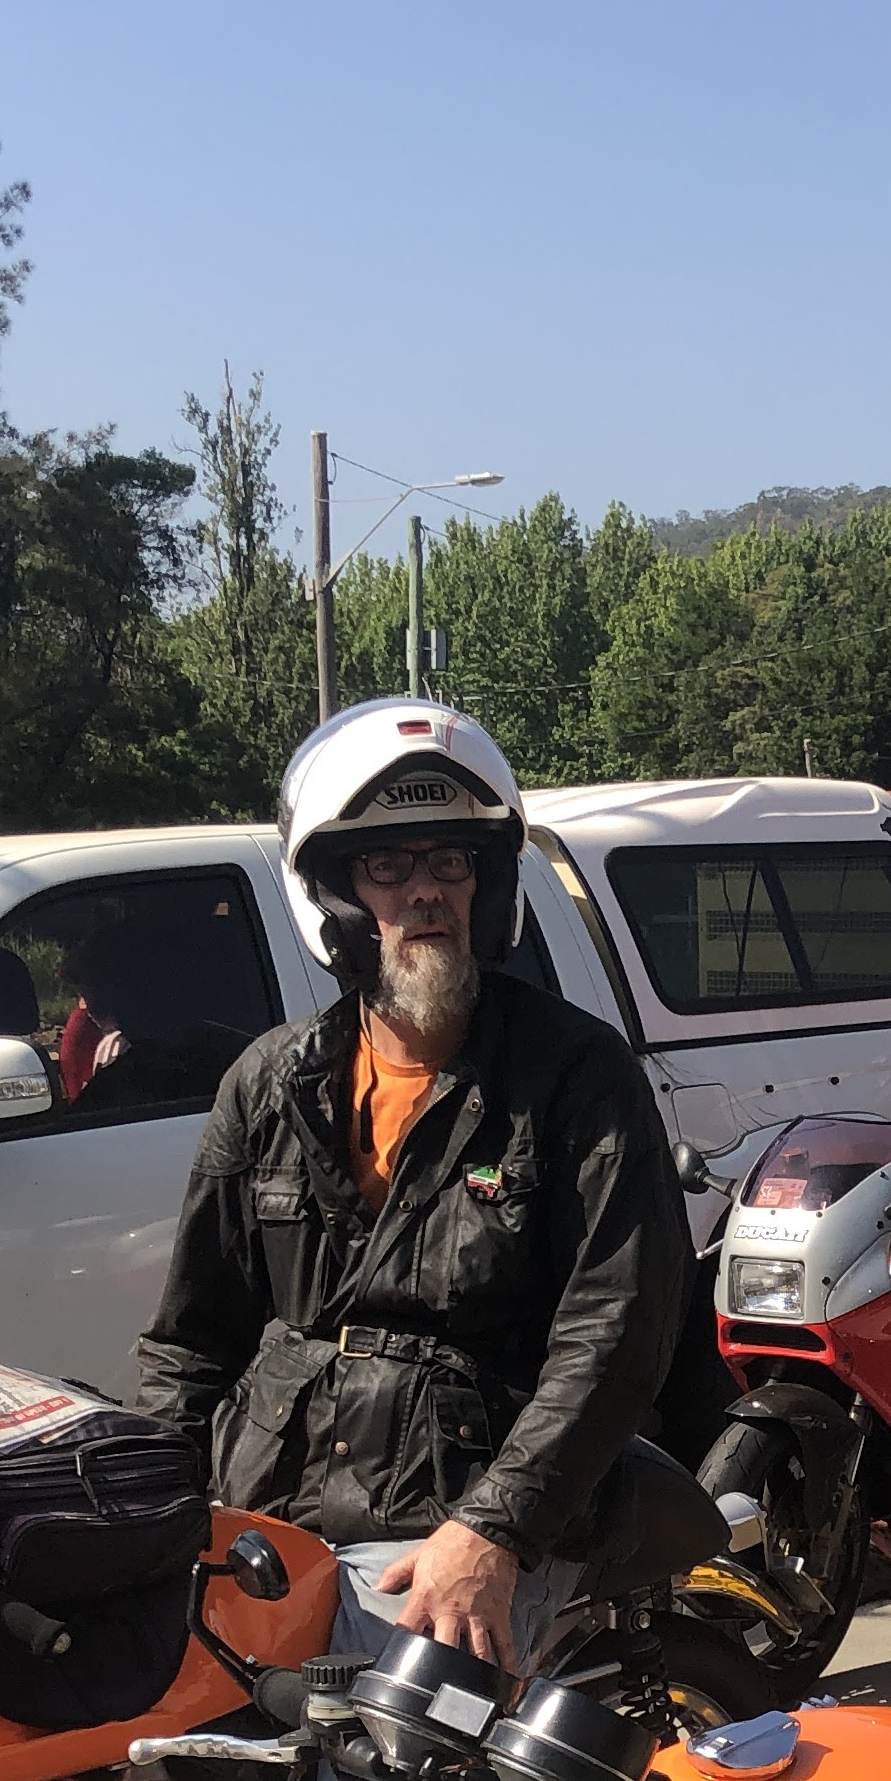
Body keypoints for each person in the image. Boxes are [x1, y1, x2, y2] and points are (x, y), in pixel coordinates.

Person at [134, 701, 681, 1669]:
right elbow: (192, 1343)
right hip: (271, 1514)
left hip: (470, 1521)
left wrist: (494, 1531)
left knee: (381, 1757)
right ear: (337, 896)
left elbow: (617, 1332)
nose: (425, 890)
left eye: (451, 861)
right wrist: (146, 1515)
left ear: (490, 886)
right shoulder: (269, 1084)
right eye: (387, 865)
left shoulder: (577, 1076)